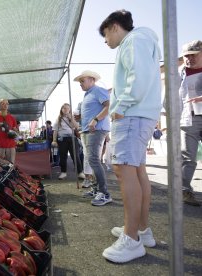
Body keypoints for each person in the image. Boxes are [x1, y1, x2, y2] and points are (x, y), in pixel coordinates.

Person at [99, 10, 161, 263]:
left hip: (132, 115)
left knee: (124, 170)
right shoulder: (143, 40)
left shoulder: (133, 41)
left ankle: (131, 239)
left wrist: (120, 108)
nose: (106, 41)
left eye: (105, 35)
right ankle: (140, 231)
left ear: (114, 27)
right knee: (137, 171)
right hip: (140, 114)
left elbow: (139, 78)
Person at [74, 70, 111, 206]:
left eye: (82, 81)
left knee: (94, 160)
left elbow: (109, 106)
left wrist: (95, 119)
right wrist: (81, 118)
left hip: (97, 129)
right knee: (92, 160)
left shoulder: (98, 90)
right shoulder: (88, 94)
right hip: (88, 130)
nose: (80, 84)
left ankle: (104, 193)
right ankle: (96, 189)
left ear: (92, 79)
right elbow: (94, 111)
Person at [178, 40, 202, 207]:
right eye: (186, 56)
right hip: (189, 118)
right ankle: (184, 191)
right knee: (188, 156)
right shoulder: (180, 72)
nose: (189, 59)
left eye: (194, 55)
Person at [51, 103, 84, 180]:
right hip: (62, 139)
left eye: (67, 108)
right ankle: (63, 172)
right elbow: (55, 131)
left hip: (72, 138)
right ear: (61, 109)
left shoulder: (72, 117)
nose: (66, 110)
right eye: (64, 108)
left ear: (70, 110)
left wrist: (71, 118)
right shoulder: (58, 119)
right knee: (63, 156)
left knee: (75, 156)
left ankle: (80, 172)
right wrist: (54, 140)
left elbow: (77, 127)